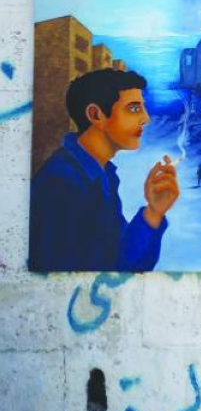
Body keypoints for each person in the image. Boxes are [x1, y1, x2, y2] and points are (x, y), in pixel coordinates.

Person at [29, 69, 179, 272]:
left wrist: (154, 212)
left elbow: (121, 259)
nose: (146, 118)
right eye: (134, 109)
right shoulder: (63, 185)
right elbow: (97, 276)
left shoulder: (100, 174)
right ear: (96, 115)